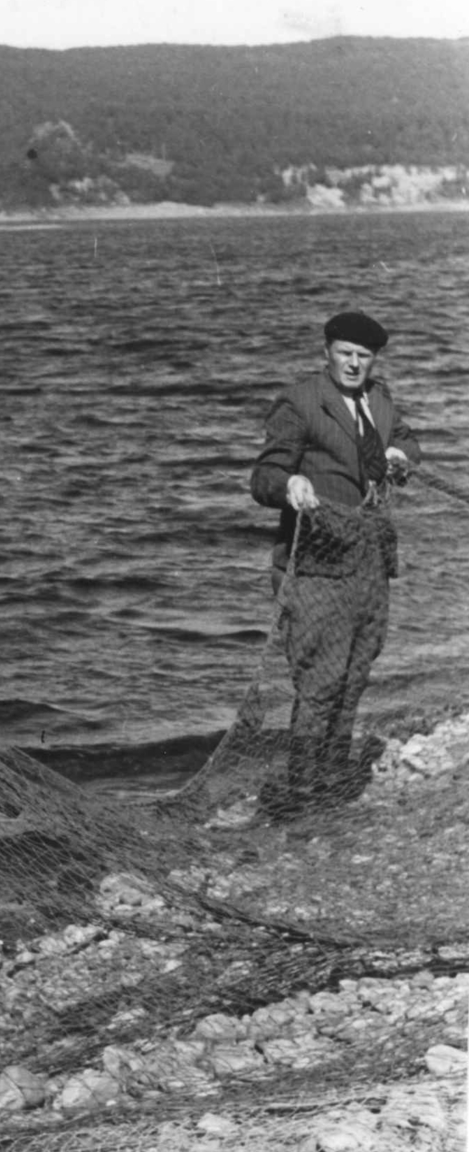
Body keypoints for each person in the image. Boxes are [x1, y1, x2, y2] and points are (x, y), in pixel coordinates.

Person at [250, 311, 421, 820]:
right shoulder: (301, 401)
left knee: (354, 675)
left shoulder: (381, 399)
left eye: (363, 356)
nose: (353, 363)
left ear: (374, 360)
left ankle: (332, 781)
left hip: (370, 565)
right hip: (316, 565)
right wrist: (290, 486)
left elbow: (409, 442)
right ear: (327, 350)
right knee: (320, 683)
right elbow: (264, 476)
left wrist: (399, 454)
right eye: (345, 352)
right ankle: (302, 795)